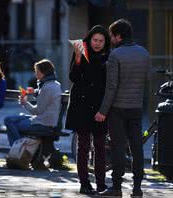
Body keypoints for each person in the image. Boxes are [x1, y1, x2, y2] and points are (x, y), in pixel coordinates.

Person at [94, 19, 149, 198]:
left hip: (117, 108)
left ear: (118, 36)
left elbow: (111, 87)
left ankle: (116, 187)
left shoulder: (115, 55)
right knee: (137, 147)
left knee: (118, 147)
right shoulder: (144, 53)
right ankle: (137, 188)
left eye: (111, 35)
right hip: (136, 108)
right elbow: (145, 81)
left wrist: (102, 111)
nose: (110, 38)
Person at [65, 25, 110, 195]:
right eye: (95, 40)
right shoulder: (81, 51)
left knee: (100, 146)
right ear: (89, 39)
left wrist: (106, 108)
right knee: (83, 146)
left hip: (100, 105)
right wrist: (77, 57)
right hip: (81, 105)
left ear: (105, 42)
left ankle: (101, 184)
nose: (97, 44)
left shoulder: (108, 56)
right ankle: (84, 183)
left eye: (101, 40)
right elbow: (73, 77)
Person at [4, 59, 61, 146]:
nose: (36, 74)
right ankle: (22, 148)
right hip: (46, 121)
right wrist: (34, 92)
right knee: (9, 119)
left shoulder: (47, 87)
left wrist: (24, 102)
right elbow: (43, 95)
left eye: (36, 71)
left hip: (44, 124)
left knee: (10, 122)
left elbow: (37, 111)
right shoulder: (53, 84)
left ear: (43, 72)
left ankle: (19, 149)